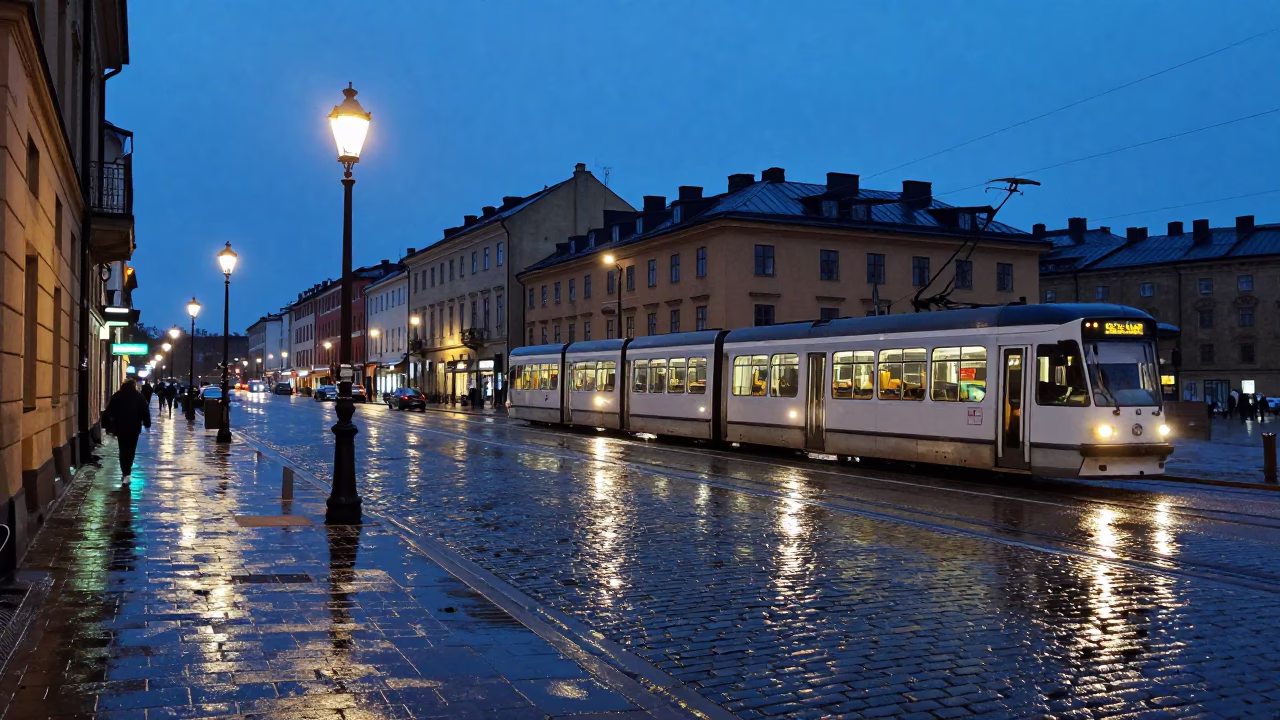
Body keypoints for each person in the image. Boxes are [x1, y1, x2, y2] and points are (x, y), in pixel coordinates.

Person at [103, 378, 151, 483]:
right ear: (134, 386)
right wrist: (147, 423)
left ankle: (125, 472)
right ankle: (127, 472)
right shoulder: (139, 397)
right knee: (131, 449)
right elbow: (145, 411)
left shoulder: (117, 396)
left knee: (123, 449)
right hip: (134, 428)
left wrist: (108, 425)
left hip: (121, 427)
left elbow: (109, 411)